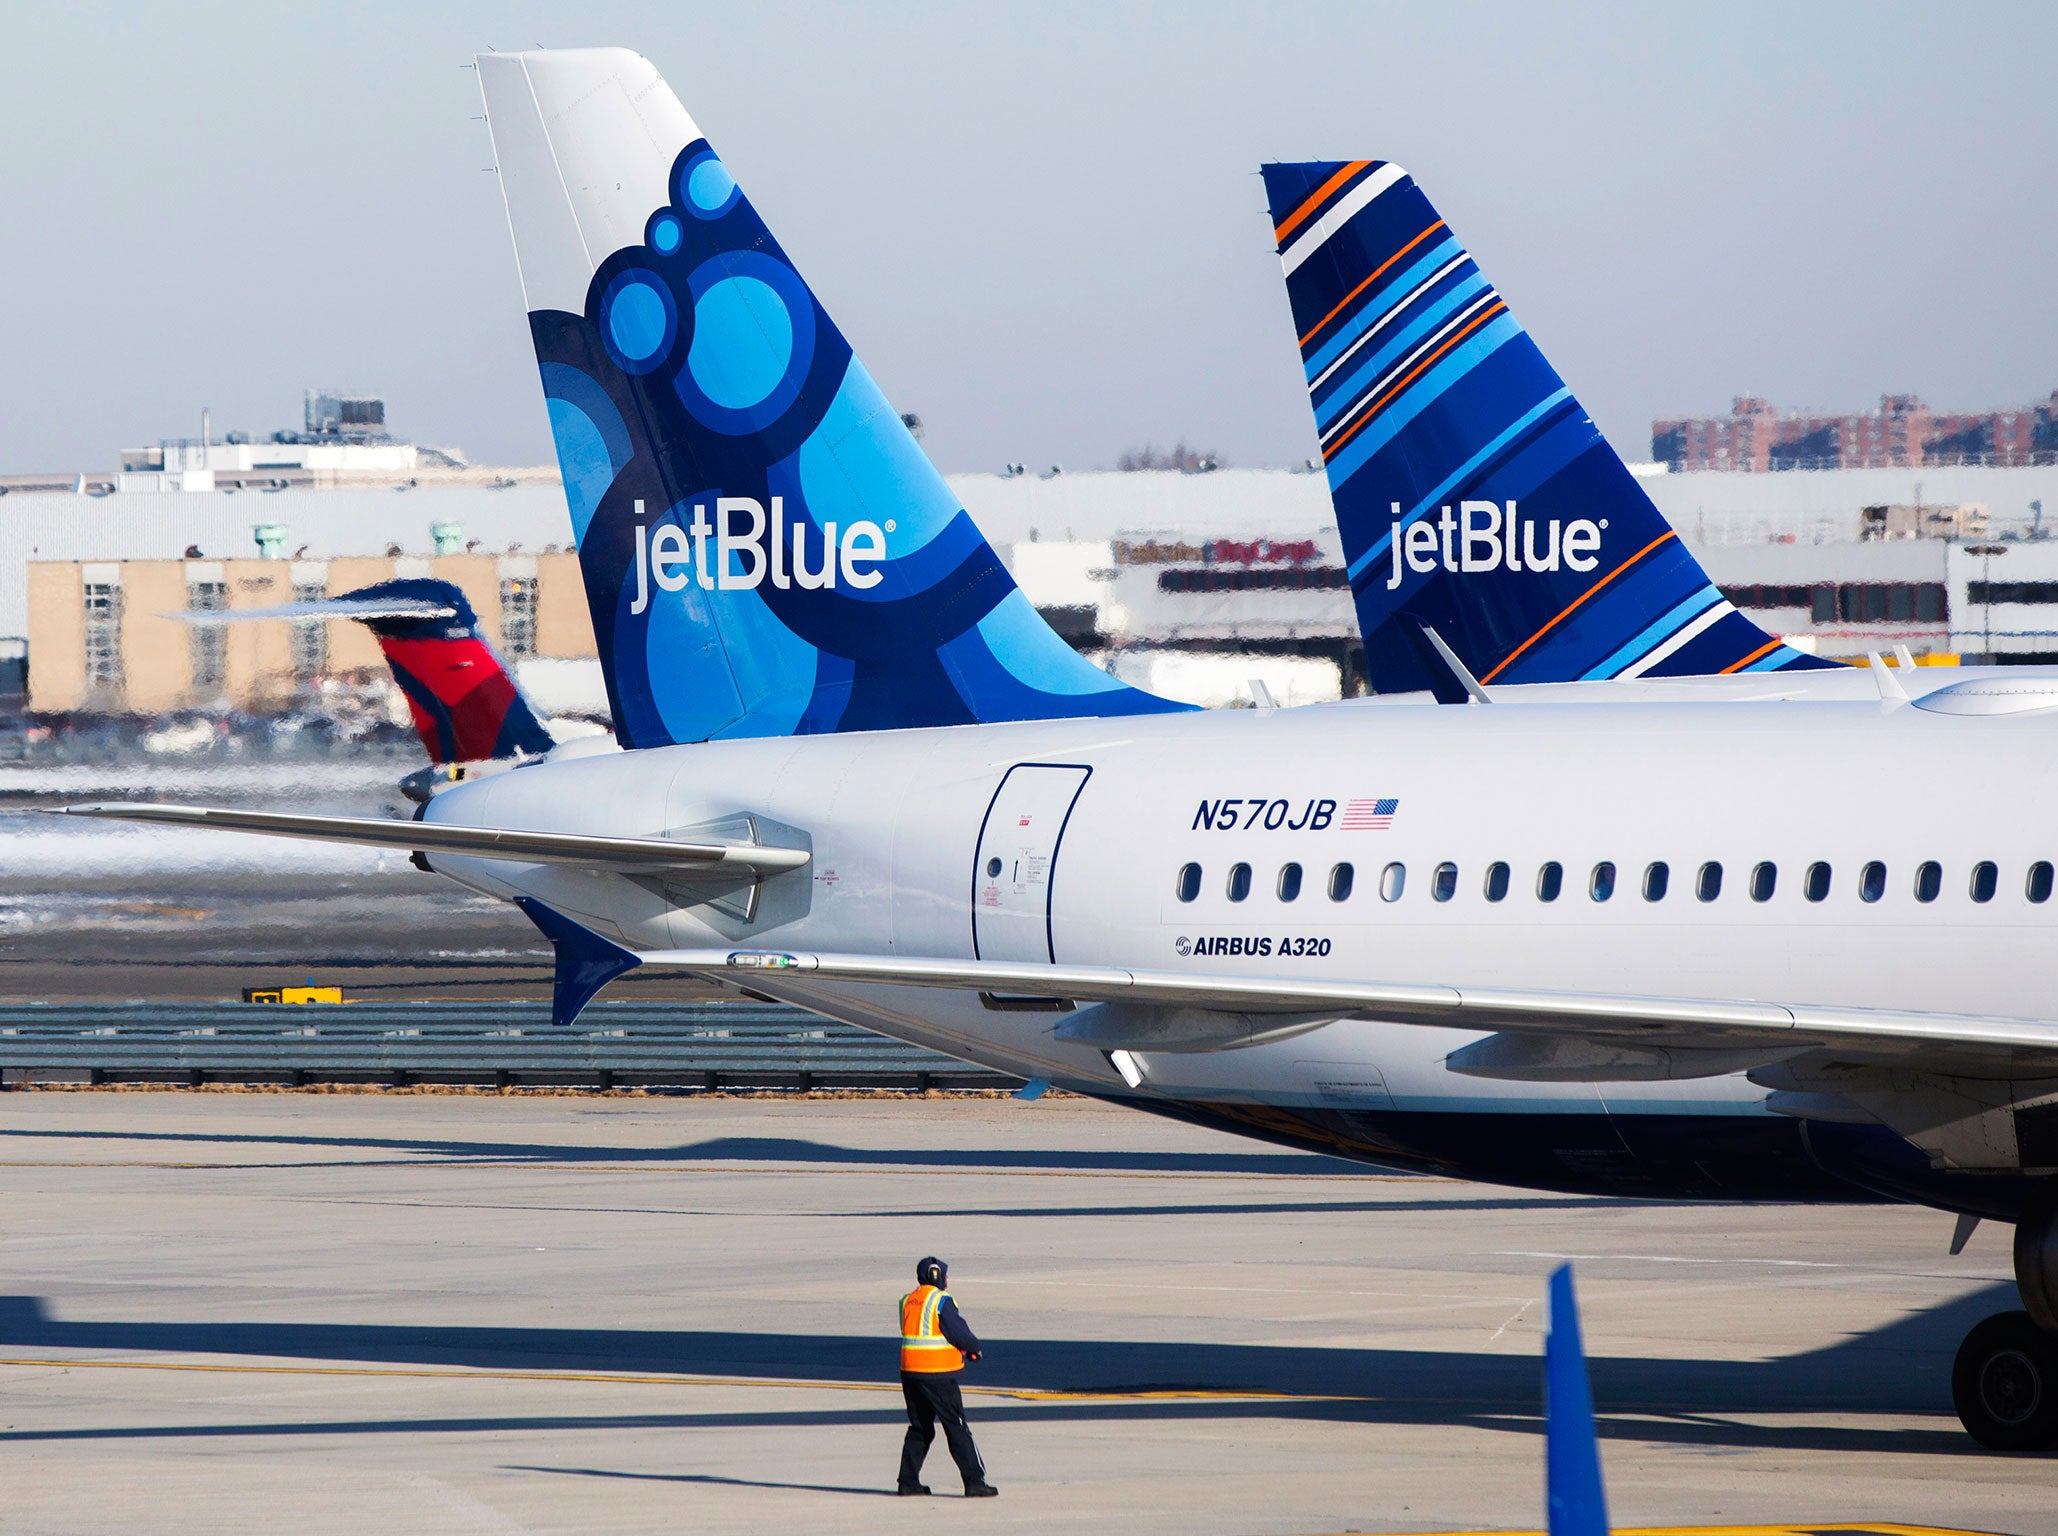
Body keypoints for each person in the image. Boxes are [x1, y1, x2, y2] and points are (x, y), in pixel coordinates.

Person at [896, 1255, 999, 1497]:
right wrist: (973, 1348)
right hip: (937, 1374)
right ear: (936, 1275)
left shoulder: (908, 1301)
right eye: (945, 1274)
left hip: (910, 1373)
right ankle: (975, 1481)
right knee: (957, 1426)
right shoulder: (940, 1300)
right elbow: (957, 1332)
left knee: (920, 1428)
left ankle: (907, 1481)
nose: (947, 1278)